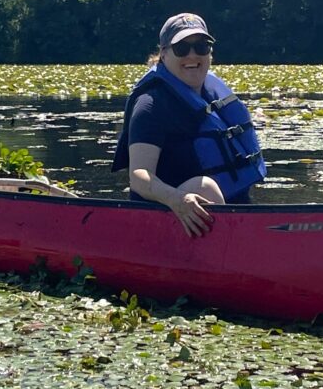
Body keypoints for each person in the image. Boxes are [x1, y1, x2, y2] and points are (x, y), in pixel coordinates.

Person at [111, 13, 267, 237]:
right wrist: (177, 199)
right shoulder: (151, 105)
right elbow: (139, 176)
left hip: (218, 220)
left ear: (210, 53)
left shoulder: (213, 99)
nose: (192, 55)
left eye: (201, 47)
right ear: (164, 54)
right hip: (166, 217)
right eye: (182, 48)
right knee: (204, 187)